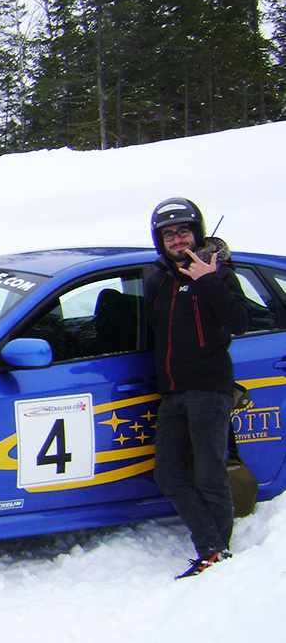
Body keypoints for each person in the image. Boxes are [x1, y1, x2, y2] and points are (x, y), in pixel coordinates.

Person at [146, 197, 250, 579]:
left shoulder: (218, 274)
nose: (177, 240)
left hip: (209, 390)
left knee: (209, 474)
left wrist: (207, 279)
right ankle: (212, 544)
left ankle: (216, 551)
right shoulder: (160, 278)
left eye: (183, 231)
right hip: (172, 393)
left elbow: (239, 321)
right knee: (169, 474)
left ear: (197, 232)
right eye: (169, 234)